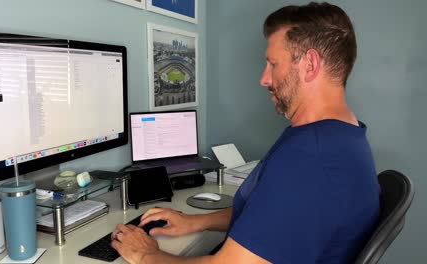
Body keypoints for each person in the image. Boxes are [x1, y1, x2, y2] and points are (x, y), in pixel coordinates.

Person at [110, 2, 380, 263]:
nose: (264, 78)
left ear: (310, 65)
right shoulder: (344, 136)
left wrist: (146, 255)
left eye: (273, 64)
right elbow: (269, 215)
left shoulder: (311, 156)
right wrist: (195, 221)